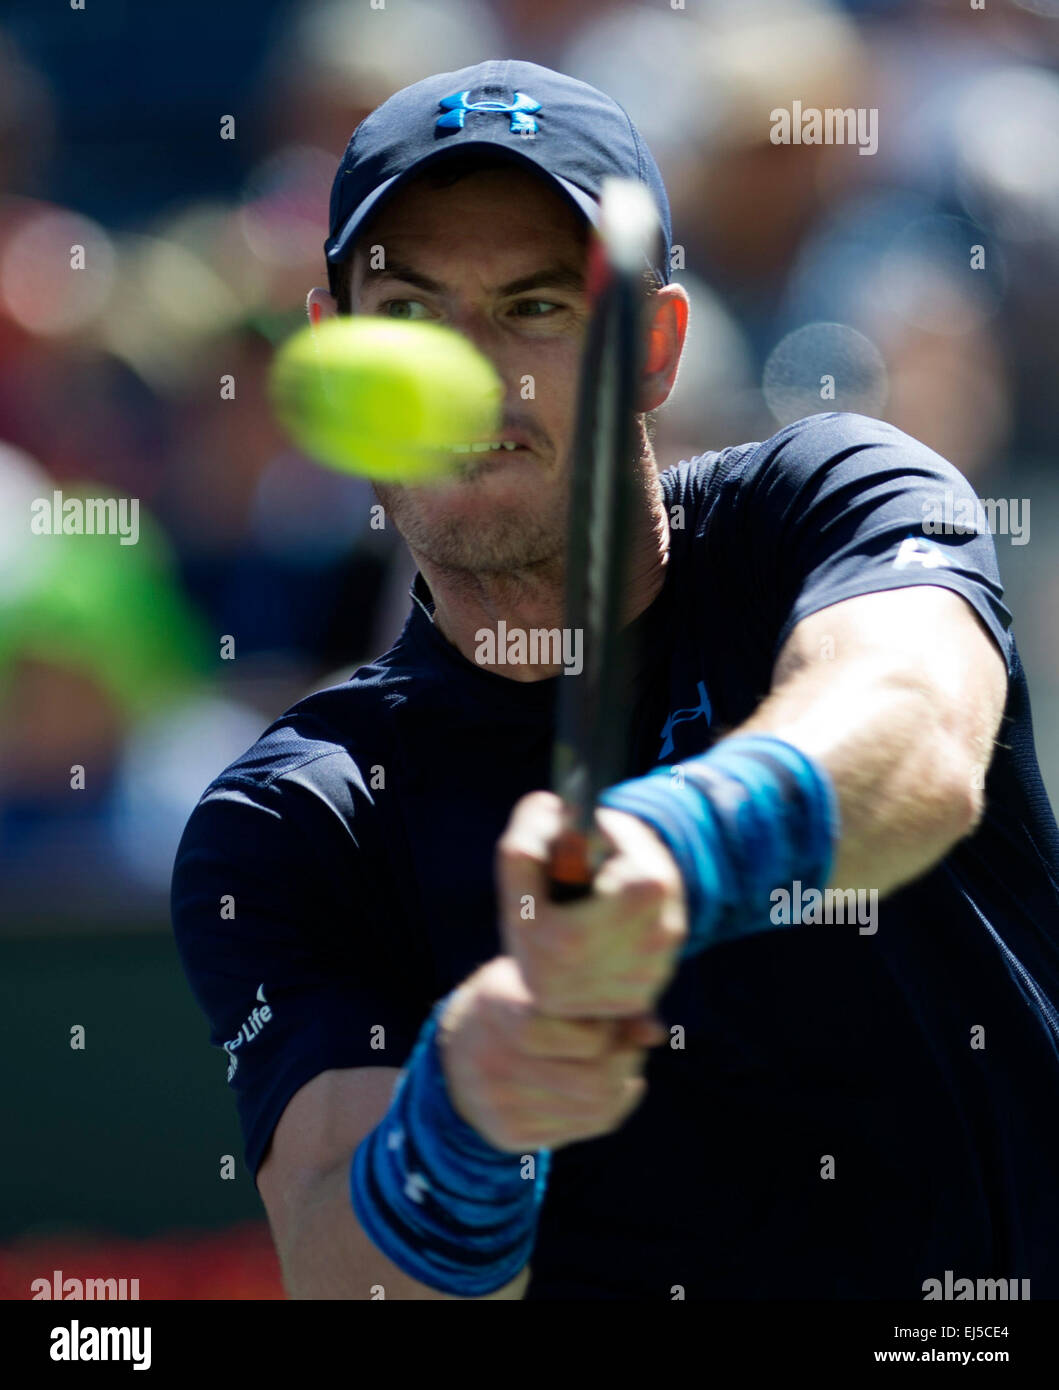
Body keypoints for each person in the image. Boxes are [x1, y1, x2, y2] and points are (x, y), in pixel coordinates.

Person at [171, 60, 1059, 1300]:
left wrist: (677, 850)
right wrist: (464, 1119)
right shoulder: (293, 822)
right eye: (415, 318)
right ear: (341, 351)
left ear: (653, 345)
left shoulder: (834, 497)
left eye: (535, 307)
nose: (472, 378)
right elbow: (341, 1266)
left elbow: (917, 731)